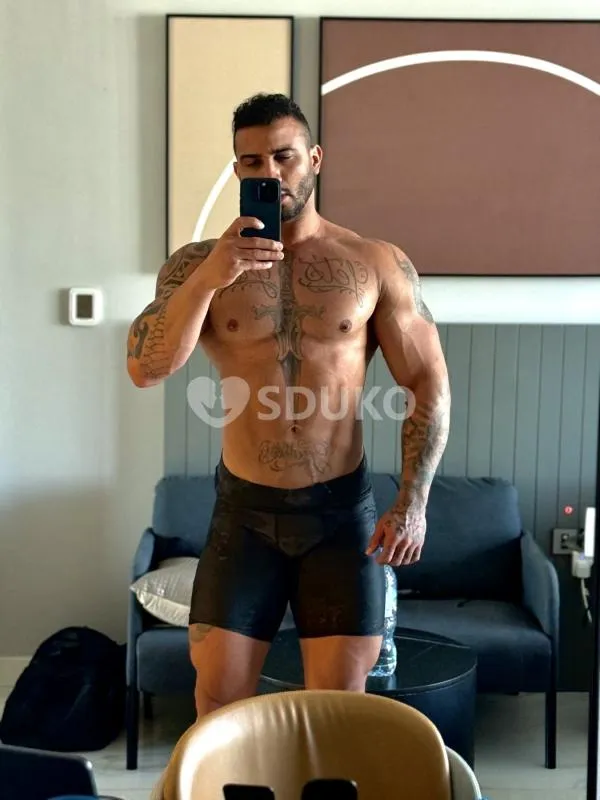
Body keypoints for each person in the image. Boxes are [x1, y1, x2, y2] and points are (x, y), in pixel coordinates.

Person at [126, 93, 451, 719]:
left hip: (340, 516)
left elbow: (427, 382)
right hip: (244, 513)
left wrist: (413, 503)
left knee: (337, 712)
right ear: (237, 170)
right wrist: (211, 277)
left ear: (315, 159)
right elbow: (146, 368)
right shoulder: (195, 267)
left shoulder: (374, 263)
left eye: (285, 157)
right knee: (218, 705)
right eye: (252, 162)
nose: (270, 173)